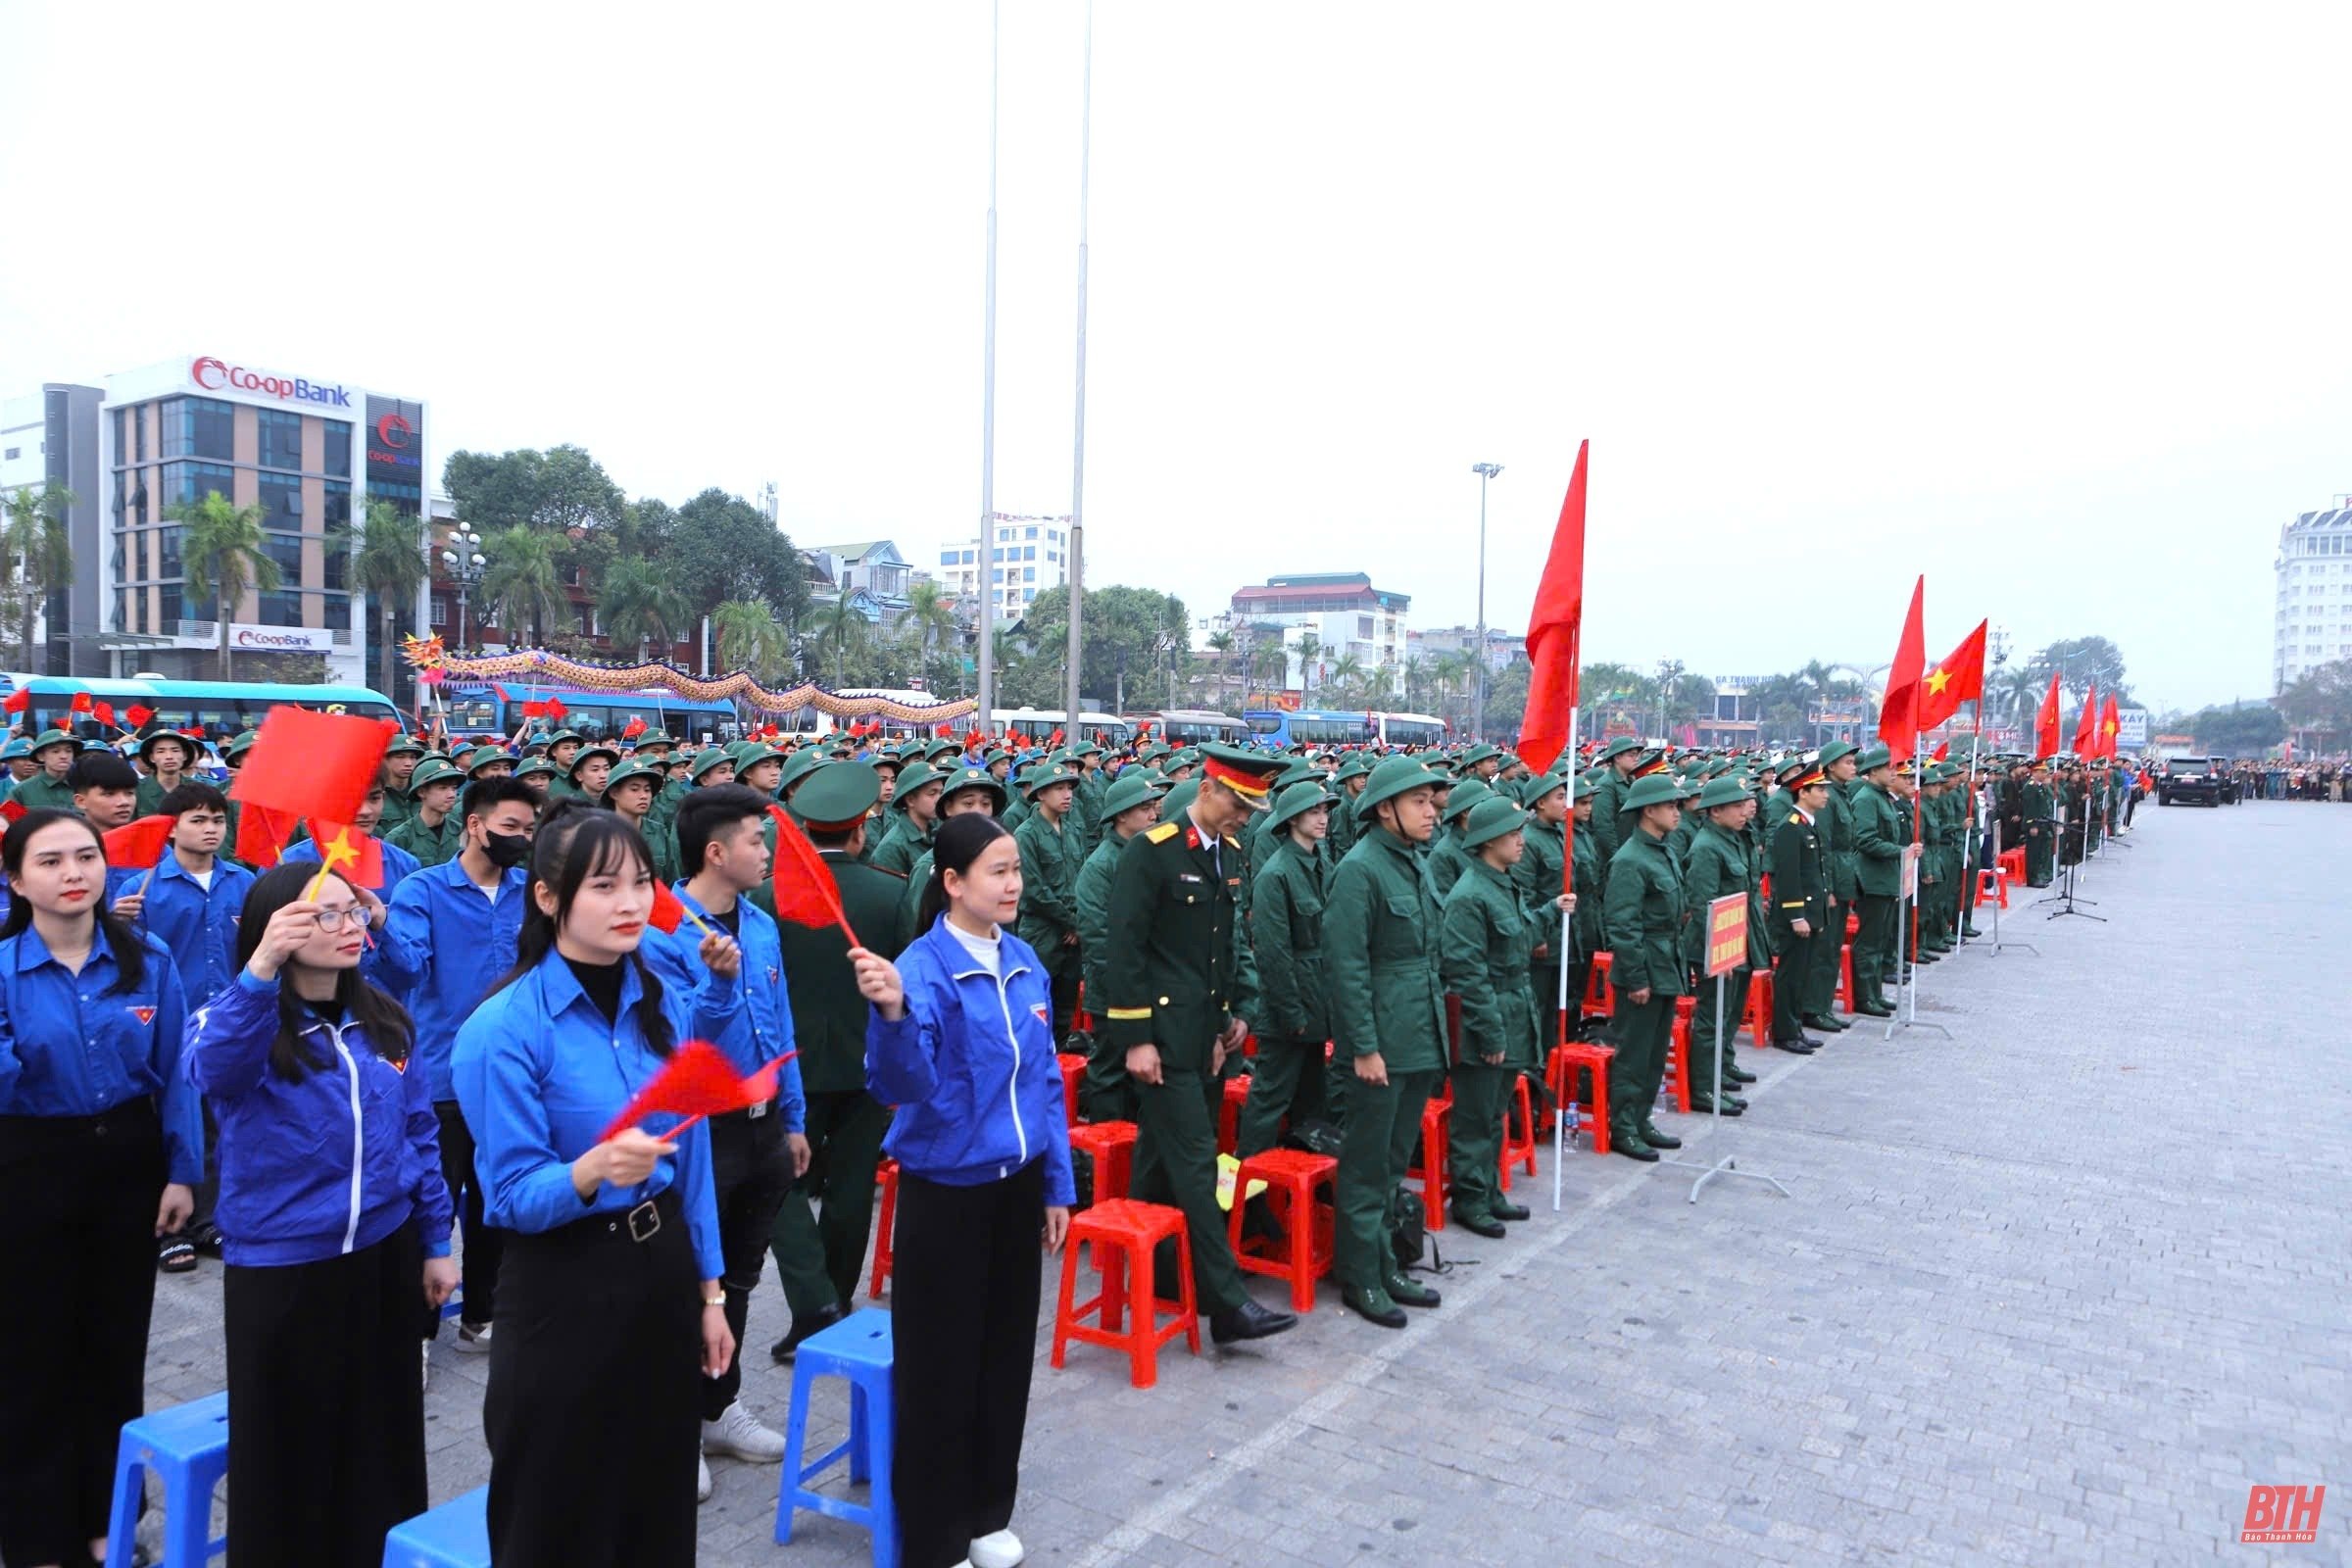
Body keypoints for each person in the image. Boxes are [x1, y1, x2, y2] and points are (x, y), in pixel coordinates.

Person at [452, 804, 735, 1565]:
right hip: (563, 1286)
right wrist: (589, 1169)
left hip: (660, 1272)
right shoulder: (504, 1028)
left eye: (641, 883)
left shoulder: (661, 1002)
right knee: (558, 1507)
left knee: (657, 1496)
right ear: (548, 897)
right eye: (605, 886)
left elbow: (695, 1159)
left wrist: (711, 1294)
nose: (632, 904)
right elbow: (507, 1196)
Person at [185, 863, 455, 1567]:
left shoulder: (385, 1022)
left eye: (355, 913)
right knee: (287, 1454)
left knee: (382, 1440)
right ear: (279, 925)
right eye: (325, 915)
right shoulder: (235, 1022)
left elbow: (420, 1133)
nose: (350, 928)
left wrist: (435, 1239)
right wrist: (260, 968)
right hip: (283, 1271)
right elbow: (212, 1073)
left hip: (383, 1256)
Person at [851, 811, 1075, 1568]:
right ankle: (936, 1538)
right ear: (952, 883)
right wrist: (890, 1014)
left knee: (1004, 1358)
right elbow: (899, 1082)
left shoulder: (1024, 961)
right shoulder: (921, 969)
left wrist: (1057, 1185)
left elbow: (1044, 1082)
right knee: (938, 1372)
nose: (1013, 885)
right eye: (997, 872)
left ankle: (986, 1514)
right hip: (945, 1198)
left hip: (1014, 1191)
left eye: (1015, 870)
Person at [0, 809, 198, 1568]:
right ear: (18, 881)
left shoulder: (145, 959)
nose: (74, 873)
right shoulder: (6, 968)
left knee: (115, 1346)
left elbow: (178, 1068)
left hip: (128, 1159)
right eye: (50, 862)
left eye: (86, 856)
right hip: (27, 1160)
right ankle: (36, 1531)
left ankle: (106, 1519)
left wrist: (183, 1169)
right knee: (31, 1353)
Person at [1099, 744, 1298, 1345]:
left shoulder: (1228, 855)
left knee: (1161, 1162)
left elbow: (1219, 950)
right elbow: (1123, 952)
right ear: (1208, 790)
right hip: (1160, 1041)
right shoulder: (1151, 853)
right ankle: (1225, 1302)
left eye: (1252, 805)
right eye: (1239, 802)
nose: (1246, 815)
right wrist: (1134, 1039)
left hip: (1203, 1037)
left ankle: (1153, 1276)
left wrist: (1229, 1018)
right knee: (1197, 1161)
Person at [658, 785, 808, 1501]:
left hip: (763, 1127)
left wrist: (796, 1117)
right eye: (756, 839)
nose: (766, 851)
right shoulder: (662, 931)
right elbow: (675, 1048)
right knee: (694, 1281)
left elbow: (780, 1026)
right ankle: (674, 1422)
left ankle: (719, 1406)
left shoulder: (761, 925)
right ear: (716, 851)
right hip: (700, 1134)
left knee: (741, 1277)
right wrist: (713, 988)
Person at [379, 776, 540, 1355]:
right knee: (433, 1204)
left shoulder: (532, 891)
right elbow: (404, 972)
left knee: (497, 1199)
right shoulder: (422, 891)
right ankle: (417, 1332)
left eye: (529, 830)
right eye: (510, 828)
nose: (521, 839)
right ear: (475, 824)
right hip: (443, 1075)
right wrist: (379, 924)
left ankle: (482, 1315)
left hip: (512, 1074)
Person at [760, 767, 906, 1361]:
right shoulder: (892, 890)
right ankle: (834, 1303)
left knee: (778, 1182)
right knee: (849, 1189)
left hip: (792, 1065)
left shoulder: (765, 895)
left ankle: (811, 1303)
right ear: (860, 830)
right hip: (866, 1060)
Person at [1323, 757, 1451, 1328]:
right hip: (1381, 1042)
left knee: (1395, 1162)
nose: (1432, 811)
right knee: (1366, 1165)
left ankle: (1386, 1263)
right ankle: (1361, 1276)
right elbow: (1347, 968)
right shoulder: (1361, 870)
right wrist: (1364, 1048)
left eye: (1432, 800)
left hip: (1418, 1033)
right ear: (1385, 809)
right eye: (1420, 801)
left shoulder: (1413, 862)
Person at [1439, 796, 1548, 1237]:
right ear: (1487, 842)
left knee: (1496, 1110)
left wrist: (1551, 914)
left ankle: (1489, 1191)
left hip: (1515, 1010)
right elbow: (1467, 974)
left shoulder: (1503, 884)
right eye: (1511, 834)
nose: (1521, 841)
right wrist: (1489, 1033)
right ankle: (1470, 1199)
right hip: (1487, 1017)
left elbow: (1517, 941)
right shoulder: (1470, 895)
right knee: (1476, 1116)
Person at [1235, 778, 1334, 1157]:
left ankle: (1304, 1181)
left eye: (1324, 810)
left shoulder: (1320, 861)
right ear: (1292, 819)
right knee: (1269, 1100)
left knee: (1313, 1099)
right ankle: (1244, 1190)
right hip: (1286, 1008)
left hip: (1317, 999)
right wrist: (1292, 1012)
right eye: (1314, 811)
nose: (1322, 818)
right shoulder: (1276, 874)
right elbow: (1274, 955)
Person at [1600, 771, 1692, 1160]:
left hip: (1666, 961)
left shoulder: (1663, 850)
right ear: (1648, 811)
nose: (1677, 811)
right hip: (1643, 968)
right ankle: (1623, 1126)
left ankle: (1641, 1119)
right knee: (1634, 1052)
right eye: (1670, 805)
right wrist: (1637, 977)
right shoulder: (1629, 860)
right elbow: (1623, 924)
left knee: (1655, 1051)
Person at [1071, 771, 1166, 1123]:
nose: (1153, 815)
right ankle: (1106, 1145)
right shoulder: (1100, 867)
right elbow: (1097, 939)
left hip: (1149, 987)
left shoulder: (1151, 856)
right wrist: (1129, 984)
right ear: (1122, 815)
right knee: (1110, 1071)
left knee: (1142, 1076)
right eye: (1144, 809)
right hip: (1112, 992)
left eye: (1152, 807)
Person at [1680, 773, 1765, 1110]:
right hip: (1716, 945)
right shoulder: (1706, 847)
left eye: (1744, 805)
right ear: (1714, 812)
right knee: (1711, 1018)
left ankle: (1721, 1067)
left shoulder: (1732, 838)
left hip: (1737, 937)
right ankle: (1703, 1087)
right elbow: (1701, 905)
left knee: (1730, 1012)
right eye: (1735, 807)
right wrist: (1718, 954)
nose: (1744, 811)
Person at [1012, 763, 1084, 1045]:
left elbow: (1081, 877)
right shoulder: (1026, 834)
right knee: (1037, 1003)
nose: (1067, 794)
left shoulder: (1073, 828)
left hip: (1072, 932)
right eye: (1059, 788)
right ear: (1041, 794)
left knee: (1066, 1004)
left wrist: (1077, 922)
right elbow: (1034, 891)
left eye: (1069, 788)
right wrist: (1072, 922)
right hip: (1042, 930)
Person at [1767, 762, 1832, 1054]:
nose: (1825, 795)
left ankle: (1795, 1028)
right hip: (1796, 916)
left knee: (1802, 974)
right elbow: (1788, 877)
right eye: (1819, 789)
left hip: (1811, 913)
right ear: (1802, 792)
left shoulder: (1808, 824)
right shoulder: (1789, 828)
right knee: (1790, 976)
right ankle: (1784, 1032)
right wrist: (1796, 916)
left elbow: (1815, 870)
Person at [1848, 745, 1912, 1014]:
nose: (1895, 773)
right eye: (1890, 768)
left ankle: (1875, 993)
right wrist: (1901, 852)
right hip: (1872, 878)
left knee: (1881, 939)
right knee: (1869, 942)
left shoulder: (1884, 797)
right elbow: (1865, 840)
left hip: (1886, 877)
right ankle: (1865, 997)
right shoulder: (1866, 799)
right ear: (1874, 771)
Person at [386, 757, 466, 868]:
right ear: (422, 792)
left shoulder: (462, 832)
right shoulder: (399, 838)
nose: (451, 795)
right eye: (442, 788)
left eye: (453, 788)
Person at [8, 728, 81, 814]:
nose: (64, 756)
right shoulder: (19, 791)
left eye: (68, 751)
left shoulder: (84, 788)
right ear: (41, 757)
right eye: (55, 751)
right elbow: (7, 823)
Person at [70, 750, 141, 830]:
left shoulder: (150, 840)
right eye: (109, 794)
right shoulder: (65, 841)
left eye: (129, 793)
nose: (124, 802)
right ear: (81, 801)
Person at [131, 729, 197, 817]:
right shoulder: (137, 790)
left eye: (175, 750)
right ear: (152, 757)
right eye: (161, 751)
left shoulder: (198, 790)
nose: (169, 756)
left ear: (184, 755)